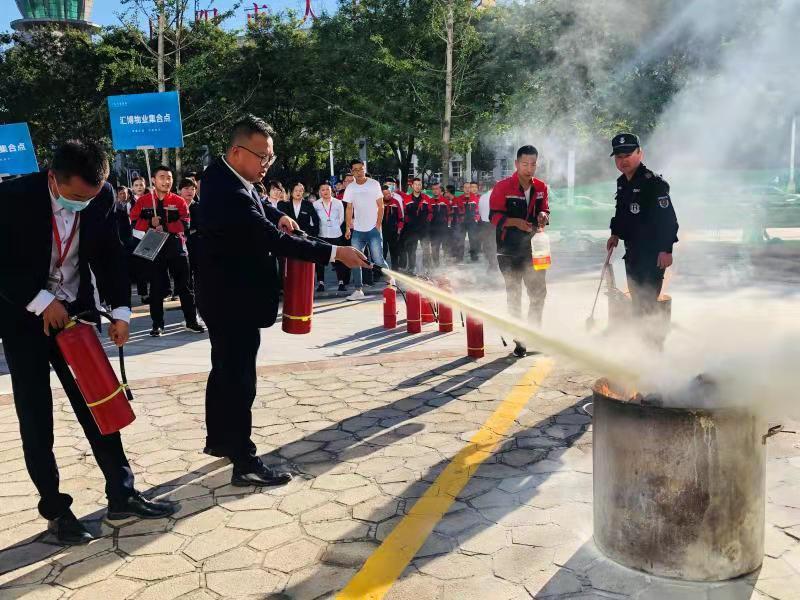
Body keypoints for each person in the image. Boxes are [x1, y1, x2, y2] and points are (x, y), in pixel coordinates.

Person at [0, 141, 177, 545]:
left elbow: (109, 253)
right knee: (36, 414)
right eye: (77, 197)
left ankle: (122, 491)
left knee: (99, 402)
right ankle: (56, 510)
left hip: (76, 316)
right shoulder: (11, 197)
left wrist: (119, 311)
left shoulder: (102, 195)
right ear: (53, 180)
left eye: (92, 196)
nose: (85, 203)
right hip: (22, 318)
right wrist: (41, 302)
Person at [193, 115, 369, 487]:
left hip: (223, 294)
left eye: (270, 159)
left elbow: (262, 207)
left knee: (224, 370)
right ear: (238, 151)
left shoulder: (224, 175)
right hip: (231, 298)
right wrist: (336, 254)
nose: (266, 166)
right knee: (240, 378)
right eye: (263, 158)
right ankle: (244, 461)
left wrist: (281, 215)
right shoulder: (228, 192)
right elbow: (271, 240)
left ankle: (220, 440)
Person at [606, 133, 678, 346]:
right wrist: (615, 233)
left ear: (640, 153)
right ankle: (644, 349)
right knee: (638, 303)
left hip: (654, 255)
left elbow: (669, 219)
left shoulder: (654, 184)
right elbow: (621, 211)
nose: (623, 160)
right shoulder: (622, 182)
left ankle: (653, 350)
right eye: (618, 157)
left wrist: (667, 249)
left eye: (628, 154)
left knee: (646, 305)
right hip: (633, 253)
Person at [489, 145, 550, 358]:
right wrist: (516, 222)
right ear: (516, 164)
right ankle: (520, 342)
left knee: (538, 293)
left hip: (535, 250)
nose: (529, 168)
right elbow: (494, 217)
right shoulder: (503, 187)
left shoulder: (541, 186)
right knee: (514, 294)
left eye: (533, 164)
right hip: (508, 251)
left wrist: (543, 215)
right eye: (525, 164)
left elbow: (545, 209)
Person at [130, 166, 205, 336]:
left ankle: (191, 321)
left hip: (176, 247)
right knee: (156, 288)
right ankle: (157, 324)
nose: (166, 181)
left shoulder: (178, 201)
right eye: (162, 177)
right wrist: (149, 223)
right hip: (154, 248)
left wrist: (164, 224)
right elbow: (134, 222)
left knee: (185, 287)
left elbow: (185, 223)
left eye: (169, 177)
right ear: (153, 180)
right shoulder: (143, 201)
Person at [343, 159, 389, 301]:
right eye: (355, 170)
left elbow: (381, 206)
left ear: (364, 168)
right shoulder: (350, 187)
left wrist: (378, 225)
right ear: (352, 172)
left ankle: (390, 280)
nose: (358, 172)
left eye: (360, 169)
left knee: (378, 259)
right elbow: (349, 208)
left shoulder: (374, 184)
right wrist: (347, 227)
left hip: (373, 228)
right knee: (356, 260)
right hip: (358, 230)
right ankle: (358, 289)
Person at [313, 182, 348, 291]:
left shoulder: (338, 203)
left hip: (336, 234)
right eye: (322, 190)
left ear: (331, 190)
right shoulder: (316, 204)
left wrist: (335, 226)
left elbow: (342, 218)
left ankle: (341, 282)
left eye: (327, 189)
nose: (325, 192)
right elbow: (314, 219)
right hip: (322, 234)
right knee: (320, 260)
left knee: (337, 259)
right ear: (319, 192)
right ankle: (321, 283)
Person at [400, 178, 430, 275]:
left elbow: (431, 212)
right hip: (411, 229)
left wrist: (427, 221)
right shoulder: (406, 198)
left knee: (426, 249)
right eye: (416, 184)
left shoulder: (426, 198)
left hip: (423, 229)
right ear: (412, 186)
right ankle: (411, 268)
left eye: (419, 184)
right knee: (411, 250)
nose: (418, 186)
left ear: (422, 186)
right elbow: (403, 213)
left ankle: (427, 268)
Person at [381, 182, 405, 269]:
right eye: (385, 194)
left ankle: (395, 270)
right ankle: (380, 270)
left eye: (389, 193)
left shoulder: (395, 202)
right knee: (382, 252)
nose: (388, 195)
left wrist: (399, 229)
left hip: (393, 231)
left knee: (394, 252)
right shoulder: (379, 203)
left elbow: (401, 217)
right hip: (381, 231)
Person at [428, 182, 451, 267]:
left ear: (440, 190)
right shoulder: (430, 201)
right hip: (433, 229)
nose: (435, 191)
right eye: (433, 189)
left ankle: (446, 266)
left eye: (437, 189)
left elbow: (450, 215)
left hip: (444, 229)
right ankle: (436, 266)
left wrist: (449, 226)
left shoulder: (446, 201)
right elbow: (428, 216)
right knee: (434, 249)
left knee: (446, 248)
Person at [464, 182, 481, 261]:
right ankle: (473, 255)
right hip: (468, 221)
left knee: (476, 238)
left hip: (479, 222)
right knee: (472, 238)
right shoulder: (466, 198)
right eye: (472, 187)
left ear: (478, 188)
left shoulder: (481, 198)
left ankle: (476, 252)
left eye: (475, 187)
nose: (473, 189)